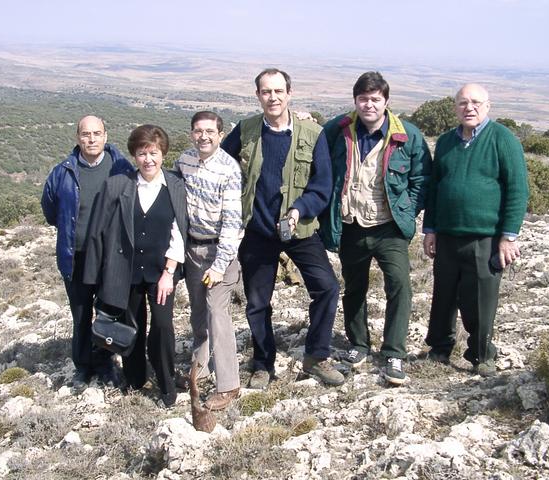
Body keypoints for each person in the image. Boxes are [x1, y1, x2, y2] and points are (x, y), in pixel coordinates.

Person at [222, 68, 344, 389]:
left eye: (278, 91)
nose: (272, 97)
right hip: (258, 231)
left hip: (299, 228)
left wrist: (298, 210)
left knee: (327, 288)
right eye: (266, 92)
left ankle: (316, 356)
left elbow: (322, 184)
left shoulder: (311, 133)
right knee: (257, 302)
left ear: (289, 93)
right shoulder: (246, 130)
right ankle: (263, 364)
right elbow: (218, 163)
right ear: (258, 95)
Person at [319, 71, 432, 386]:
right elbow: (318, 161)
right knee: (354, 288)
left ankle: (394, 351)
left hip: (389, 227)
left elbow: (422, 179)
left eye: (375, 99)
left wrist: (407, 209)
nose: (369, 105)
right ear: (355, 100)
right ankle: (359, 345)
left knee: (400, 287)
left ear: (386, 101)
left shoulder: (407, 135)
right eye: (363, 99)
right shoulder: (337, 130)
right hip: (350, 224)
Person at [422, 83, 529, 377]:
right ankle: (439, 347)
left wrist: (508, 237)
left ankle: (482, 355)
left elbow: (518, 189)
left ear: (488, 106)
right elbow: (435, 189)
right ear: (455, 107)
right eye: (463, 103)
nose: (469, 108)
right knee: (443, 295)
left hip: (486, 238)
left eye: (476, 102)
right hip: (446, 235)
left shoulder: (503, 139)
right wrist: (429, 229)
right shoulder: (445, 142)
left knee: (480, 299)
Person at [83, 124, 188, 406]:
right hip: (125, 272)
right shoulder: (117, 186)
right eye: (142, 153)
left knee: (163, 327)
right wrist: (96, 281)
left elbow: (180, 231)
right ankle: (136, 379)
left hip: (161, 273)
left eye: (153, 152)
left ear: (163, 153)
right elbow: (98, 232)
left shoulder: (176, 186)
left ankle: (166, 385)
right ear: (134, 156)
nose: (148, 159)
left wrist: (169, 272)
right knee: (132, 326)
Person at [41, 115, 134, 390]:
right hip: (77, 255)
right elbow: (50, 209)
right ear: (77, 138)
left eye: (96, 133)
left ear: (106, 136)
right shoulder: (63, 172)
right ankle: (82, 367)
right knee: (81, 315)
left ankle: (105, 364)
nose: (91, 139)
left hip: (110, 258)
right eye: (85, 134)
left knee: (107, 313)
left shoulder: (121, 169)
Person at [174, 111, 243, 410]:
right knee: (198, 311)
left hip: (220, 253)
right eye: (198, 131)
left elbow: (232, 221)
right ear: (191, 133)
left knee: (217, 311)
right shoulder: (184, 161)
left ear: (220, 134)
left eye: (210, 131)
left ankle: (228, 384)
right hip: (192, 250)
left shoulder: (229, 169)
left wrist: (219, 265)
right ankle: (199, 366)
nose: (204, 136)